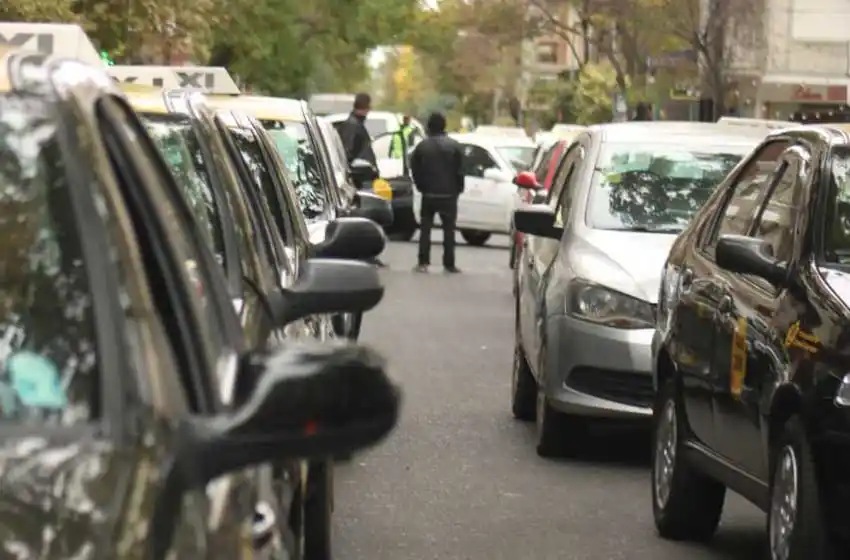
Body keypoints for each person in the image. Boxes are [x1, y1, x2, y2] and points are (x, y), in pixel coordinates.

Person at [410, 112, 464, 274]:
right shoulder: (455, 146)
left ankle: (423, 261)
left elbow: (415, 169)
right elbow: (460, 171)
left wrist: (421, 186)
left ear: (429, 127)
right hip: (449, 194)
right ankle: (449, 263)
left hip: (429, 194)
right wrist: (458, 189)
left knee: (425, 229)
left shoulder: (422, 147)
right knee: (449, 230)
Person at [337, 92, 377, 168]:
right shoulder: (352, 127)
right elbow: (347, 155)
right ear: (367, 107)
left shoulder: (355, 125)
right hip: (359, 176)